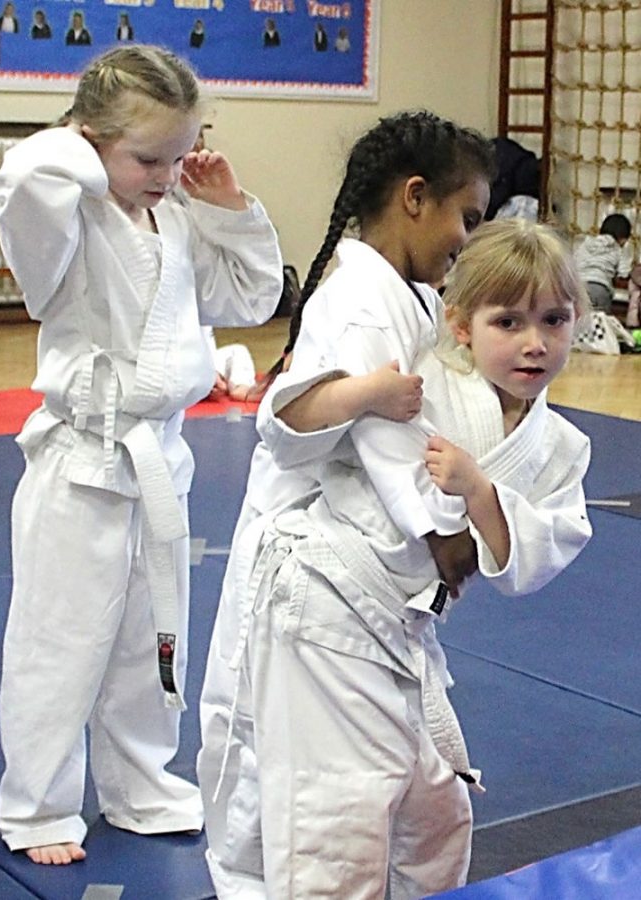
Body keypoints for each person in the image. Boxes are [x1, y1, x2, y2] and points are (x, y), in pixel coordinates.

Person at [229, 218, 591, 899]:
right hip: (326, 604)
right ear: (460, 326)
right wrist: (365, 393)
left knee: (435, 818)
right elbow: (286, 419)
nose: (534, 343)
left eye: (554, 320)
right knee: (337, 825)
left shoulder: (564, 446)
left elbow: (537, 558)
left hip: (401, 629)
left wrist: (479, 490)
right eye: (507, 322)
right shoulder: (421, 379)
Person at [0, 43, 284, 866]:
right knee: (60, 642)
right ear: (87, 139)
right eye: (146, 156)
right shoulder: (65, 216)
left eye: (181, 154)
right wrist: (82, 150)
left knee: (152, 637)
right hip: (79, 461)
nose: (165, 172)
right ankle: (39, 805)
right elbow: (26, 176)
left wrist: (227, 205)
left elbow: (252, 297)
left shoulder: (178, 219)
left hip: (160, 456)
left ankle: (143, 784)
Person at [198, 110, 499, 897]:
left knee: (408, 801)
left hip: (366, 578)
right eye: (465, 216)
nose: (467, 238)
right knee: (316, 805)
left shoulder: (401, 292)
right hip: (320, 575)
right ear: (414, 198)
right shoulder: (364, 299)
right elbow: (390, 438)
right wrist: (447, 534)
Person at [573, 212, 633, 313]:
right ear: (623, 238)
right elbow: (624, 274)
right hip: (600, 288)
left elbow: (573, 262)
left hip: (578, 286)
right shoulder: (617, 250)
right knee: (601, 323)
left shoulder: (585, 243)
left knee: (578, 322)